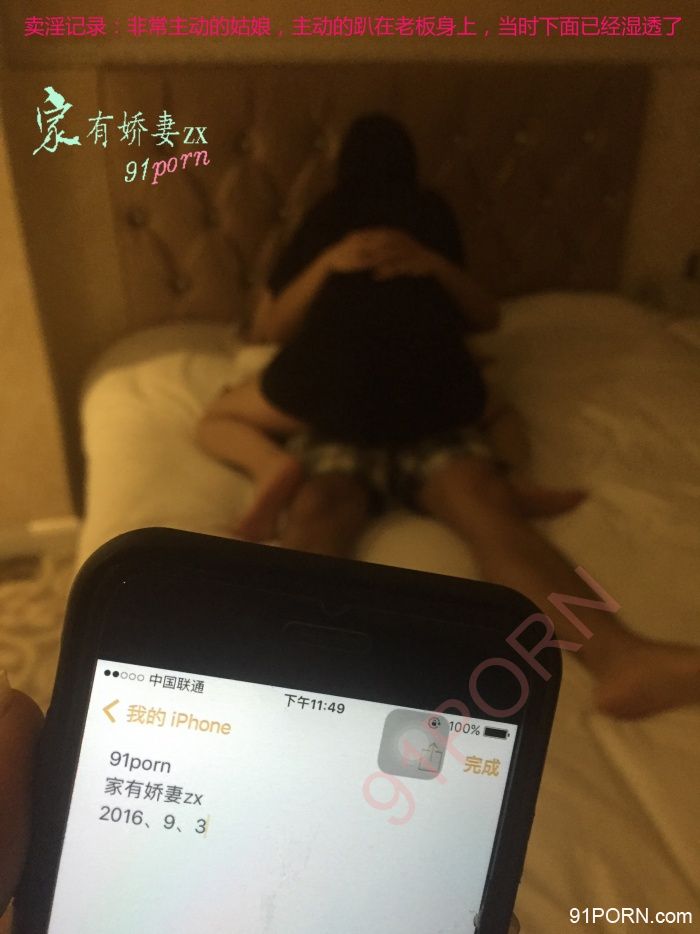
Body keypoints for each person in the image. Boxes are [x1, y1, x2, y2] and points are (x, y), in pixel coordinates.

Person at [198, 114, 582, 541]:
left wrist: (328, 262)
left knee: (218, 418)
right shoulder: (432, 211)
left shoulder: (327, 213)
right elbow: (488, 318)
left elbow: (271, 328)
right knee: (501, 410)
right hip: (428, 391)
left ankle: (272, 466)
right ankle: (514, 478)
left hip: (333, 388)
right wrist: (432, 263)